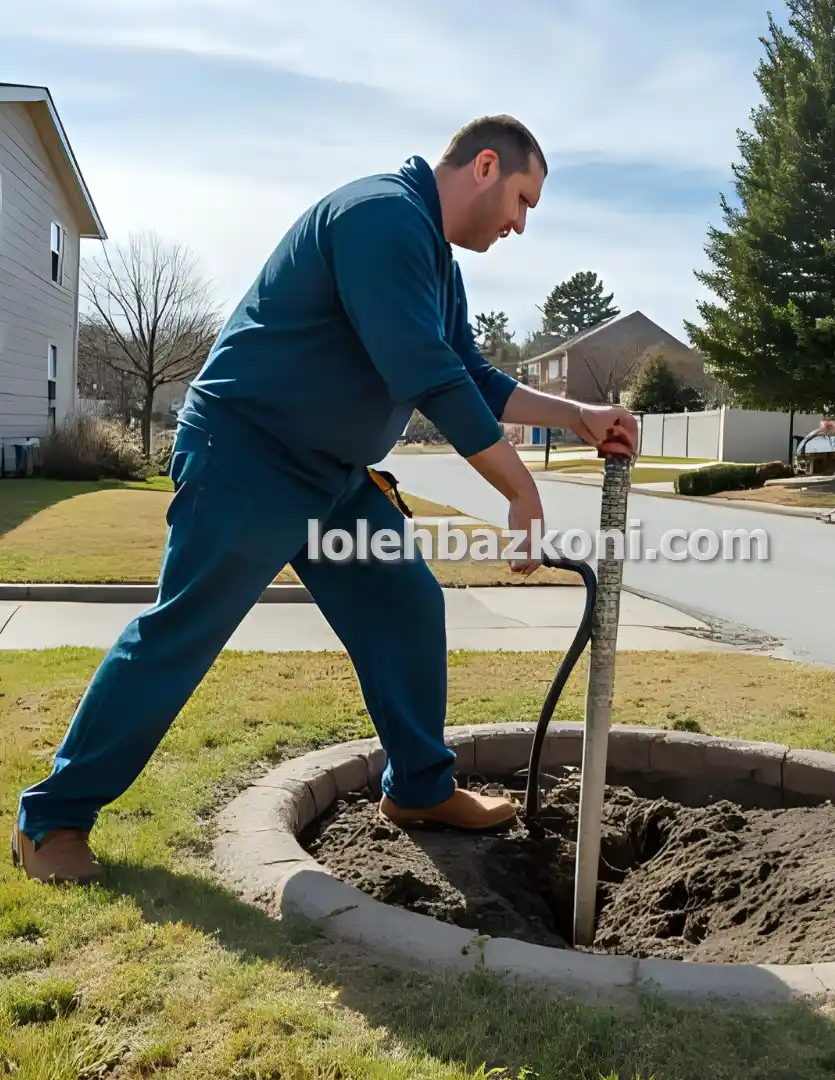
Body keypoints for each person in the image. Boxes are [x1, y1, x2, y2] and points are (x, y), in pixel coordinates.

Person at [12, 114, 638, 885]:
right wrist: (520, 490)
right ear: (484, 166)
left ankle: (419, 790)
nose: (520, 223)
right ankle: (54, 819)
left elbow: (468, 372)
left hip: (334, 479)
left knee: (406, 602)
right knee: (183, 632)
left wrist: (576, 416)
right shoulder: (380, 218)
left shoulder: (437, 263)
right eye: (522, 200)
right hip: (248, 458)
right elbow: (426, 376)